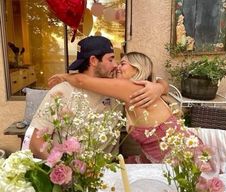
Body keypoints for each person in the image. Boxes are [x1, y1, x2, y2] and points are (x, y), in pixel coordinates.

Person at [29, 36, 168, 160]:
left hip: (109, 172)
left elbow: (155, 86)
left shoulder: (116, 90)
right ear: (94, 60)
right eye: (111, 59)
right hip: (72, 173)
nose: (116, 65)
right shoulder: (61, 92)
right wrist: (65, 171)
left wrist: (160, 87)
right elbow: (36, 143)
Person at [48, 51, 178, 164]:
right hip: (159, 158)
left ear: (137, 68)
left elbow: (82, 81)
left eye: (123, 63)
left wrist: (65, 76)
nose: (117, 66)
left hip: (178, 159)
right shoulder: (141, 89)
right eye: (113, 61)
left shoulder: (131, 88)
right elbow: (161, 81)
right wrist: (161, 86)